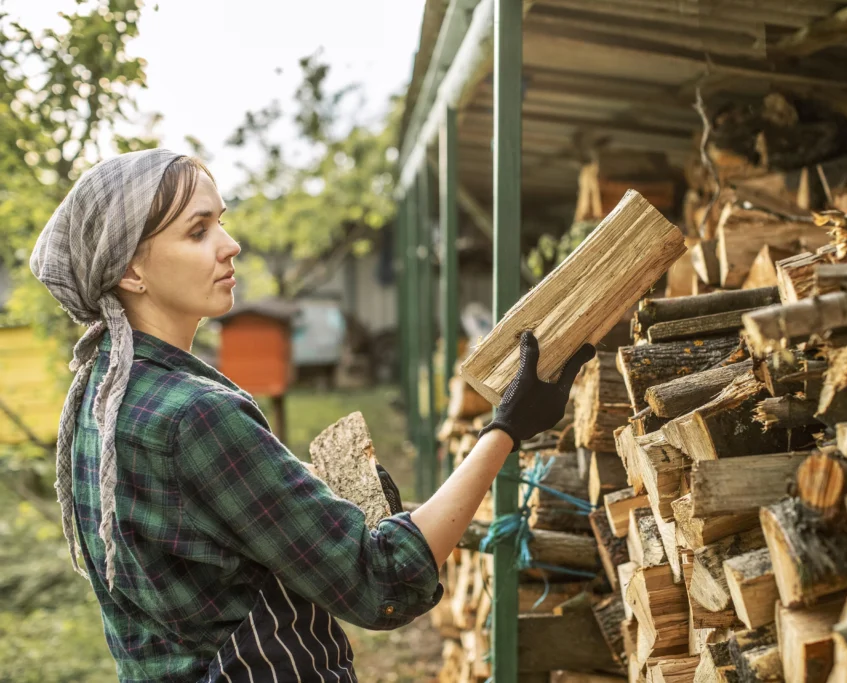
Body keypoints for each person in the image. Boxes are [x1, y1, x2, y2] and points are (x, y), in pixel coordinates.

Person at [29, 148, 595, 683]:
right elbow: (382, 580)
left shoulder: (96, 394)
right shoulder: (196, 417)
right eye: (198, 231)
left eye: (221, 222)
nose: (230, 245)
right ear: (130, 271)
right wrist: (508, 426)